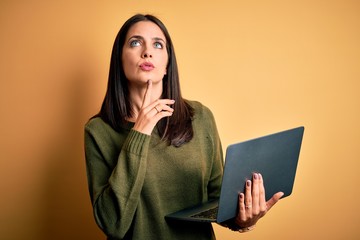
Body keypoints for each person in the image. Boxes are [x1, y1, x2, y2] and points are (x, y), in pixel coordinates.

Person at [84, 14, 284, 240]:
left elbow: (218, 199)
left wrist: (243, 219)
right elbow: (112, 223)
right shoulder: (98, 131)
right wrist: (139, 132)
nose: (147, 52)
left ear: (167, 64)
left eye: (158, 45)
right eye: (135, 42)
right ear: (120, 59)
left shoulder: (200, 117)